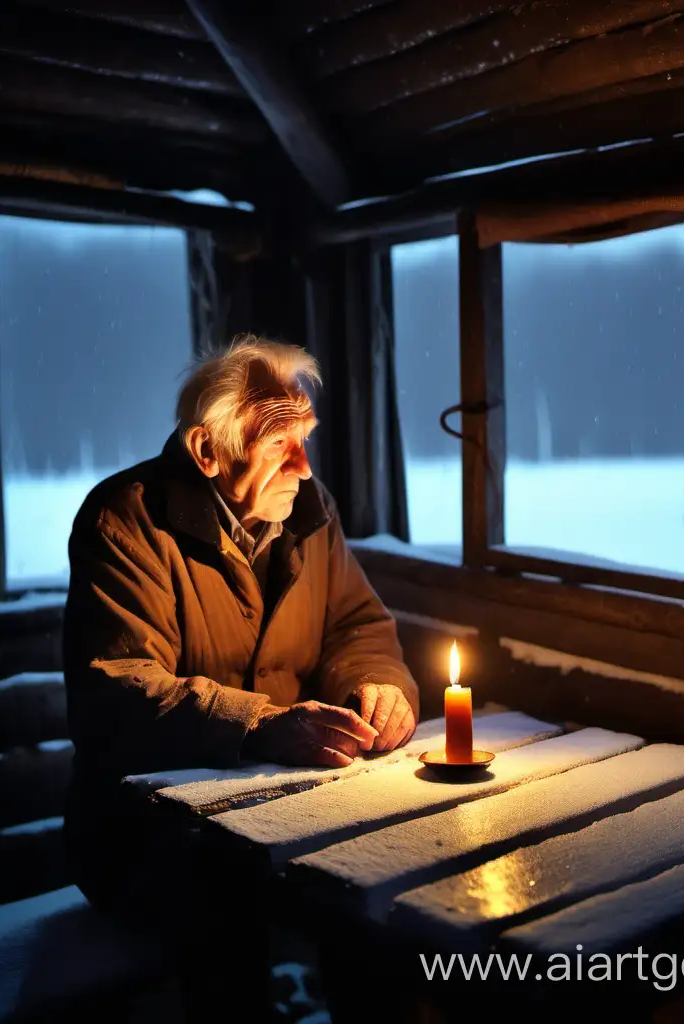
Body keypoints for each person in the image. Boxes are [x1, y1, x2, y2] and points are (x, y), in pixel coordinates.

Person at [61, 335, 419, 926]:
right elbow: (118, 691)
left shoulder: (310, 511)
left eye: (305, 440)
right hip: (150, 835)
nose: (304, 467)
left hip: (283, 810)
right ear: (207, 450)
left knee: (393, 909)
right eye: (280, 444)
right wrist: (258, 726)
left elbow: (358, 626)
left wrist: (376, 685)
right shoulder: (126, 521)